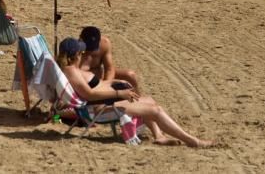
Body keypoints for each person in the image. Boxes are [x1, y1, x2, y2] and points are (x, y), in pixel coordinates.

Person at [56, 38, 213, 147]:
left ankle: (159, 136)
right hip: (98, 110)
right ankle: (192, 141)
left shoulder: (72, 70)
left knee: (149, 100)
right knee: (155, 110)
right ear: (74, 55)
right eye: (80, 53)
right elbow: (89, 94)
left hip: (102, 105)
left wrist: (114, 83)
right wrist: (119, 95)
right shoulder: (72, 72)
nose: (83, 54)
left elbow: (96, 86)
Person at [77, 26, 141, 91]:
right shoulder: (73, 51)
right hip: (85, 85)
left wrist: (107, 85)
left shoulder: (104, 43)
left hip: (102, 81)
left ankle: (138, 99)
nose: (90, 51)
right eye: (88, 48)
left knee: (130, 75)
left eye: (93, 47)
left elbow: (109, 69)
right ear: (80, 39)